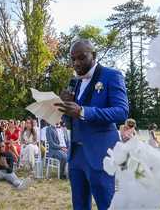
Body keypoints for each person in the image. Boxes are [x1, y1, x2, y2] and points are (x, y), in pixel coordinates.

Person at [55, 39, 129, 210]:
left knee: (107, 204)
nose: (76, 63)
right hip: (76, 155)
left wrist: (83, 111)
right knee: (79, 206)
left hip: (100, 153)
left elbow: (121, 111)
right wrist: (65, 109)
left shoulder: (111, 76)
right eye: (73, 59)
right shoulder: (75, 82)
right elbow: (70, 122)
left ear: (94, 55)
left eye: (81, 57)